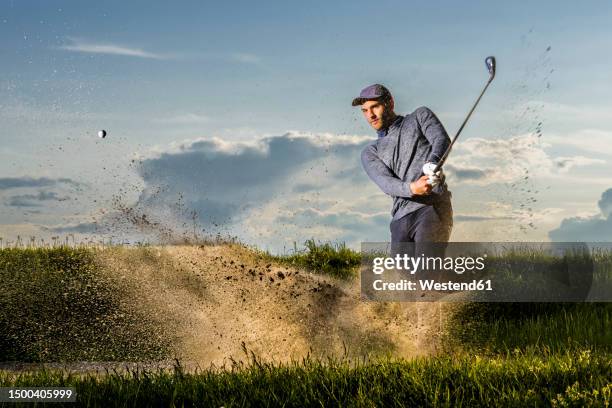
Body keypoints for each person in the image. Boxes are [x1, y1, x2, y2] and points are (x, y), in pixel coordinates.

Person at [354, 84, 453, 247]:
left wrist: (433, 163)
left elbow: (441, 140)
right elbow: (385, 183)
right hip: (400, 219)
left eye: (375, 107)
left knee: (427, 270)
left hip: (432, 208)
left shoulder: (419, 117)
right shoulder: (371, 152)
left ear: (390, 103)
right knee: (400, 273)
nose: (370, 115)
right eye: (365, 110)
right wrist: (413, 188)